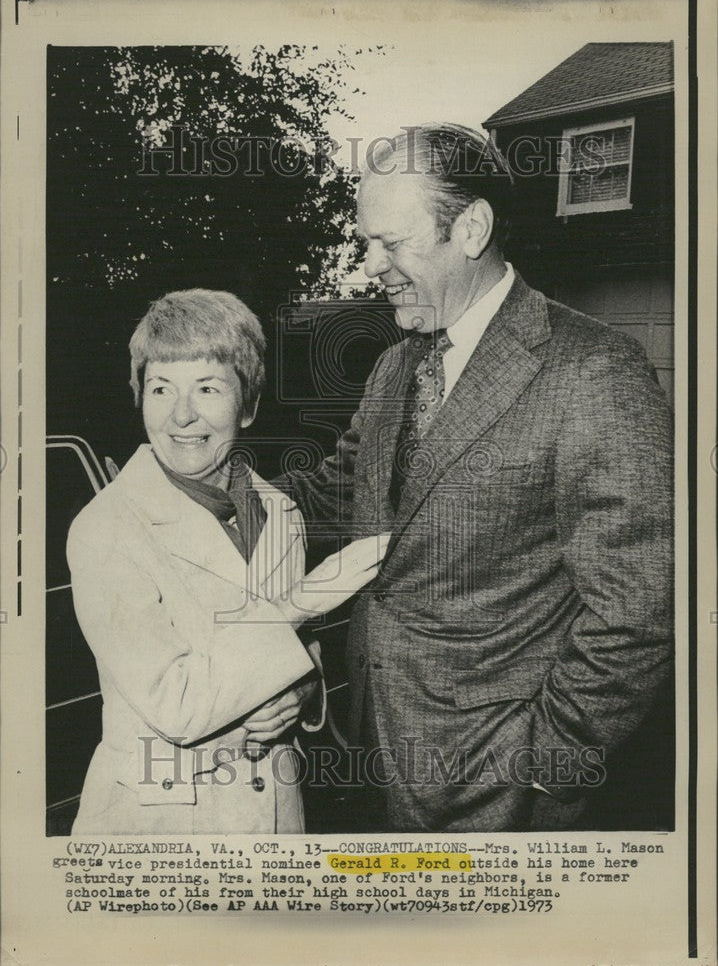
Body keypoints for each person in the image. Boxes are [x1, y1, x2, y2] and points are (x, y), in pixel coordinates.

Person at [278, 123, 674, 832]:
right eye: (367, 241)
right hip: (376, 750)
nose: (370, 264)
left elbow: (638, 609)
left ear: (471, 227)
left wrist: (546, 770)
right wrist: (203, 487)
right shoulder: (394, 366)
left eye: (391, 243)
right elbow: (335, 494)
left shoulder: (595, 370)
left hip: (503, 792)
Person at [67, 289, 387, 834]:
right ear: (139, 396)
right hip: (163, 822)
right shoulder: (106, 528)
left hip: (276, 812)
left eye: (208, 388)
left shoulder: (280, 512)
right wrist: (298, 603)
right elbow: (178, 704)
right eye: (160, 388)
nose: (181, 415)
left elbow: (300, 656)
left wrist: (300, 698)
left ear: (249, 404)